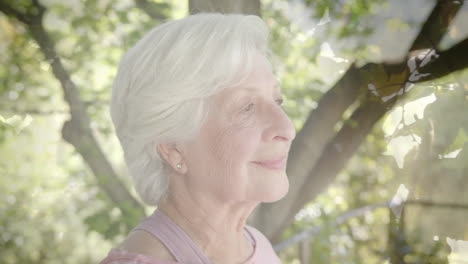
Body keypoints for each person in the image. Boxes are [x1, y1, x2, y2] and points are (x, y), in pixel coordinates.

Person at [100, 12, 296, 264]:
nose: (287, 128)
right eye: (247, 107)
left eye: (277, 100)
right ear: (173, 149)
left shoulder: (254, 244)